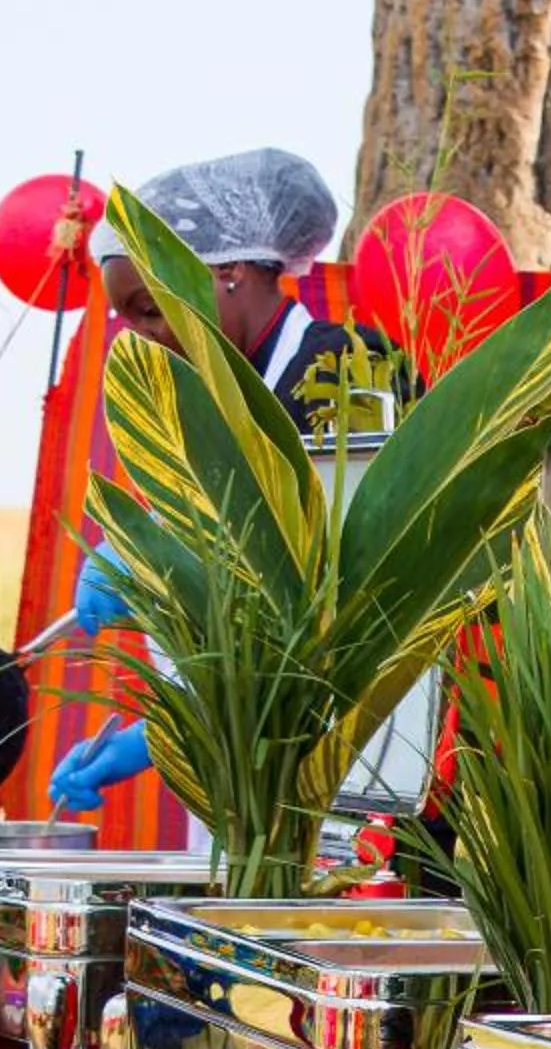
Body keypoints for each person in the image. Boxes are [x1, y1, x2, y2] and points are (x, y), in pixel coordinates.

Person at [50, 147, 392, 814]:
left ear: (229, 269)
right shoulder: (209, 401)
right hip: (245, 768)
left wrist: (168, 564)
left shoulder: (345, 371)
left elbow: (344, 578)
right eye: (127, 319)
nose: (143, 337)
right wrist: (167, 725)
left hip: (358, 773)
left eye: (150, 309)